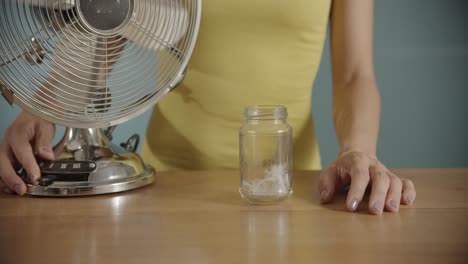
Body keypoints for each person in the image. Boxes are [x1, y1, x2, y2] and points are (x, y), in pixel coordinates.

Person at [0, 0, 416, 214]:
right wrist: (44, 107)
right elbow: (109, 22)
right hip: (166, 191)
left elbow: (354, 75)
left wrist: (358, 149)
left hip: (290, 191)